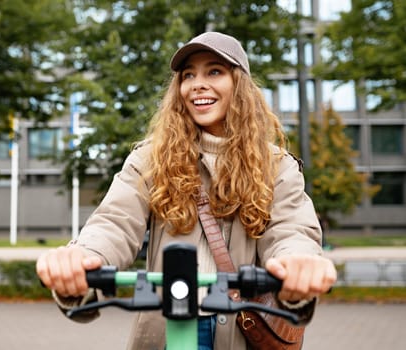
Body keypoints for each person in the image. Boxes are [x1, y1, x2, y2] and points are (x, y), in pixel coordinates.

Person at [36, 31, 337, 349]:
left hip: (239, 330)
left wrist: (298, 263)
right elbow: (114, 222)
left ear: (240, 85)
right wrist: (85, 258)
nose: (197, 84)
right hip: (166, 329)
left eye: (214, 71)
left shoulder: (277, 165)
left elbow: (291, 230)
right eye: (188, 75)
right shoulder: (150, 158)